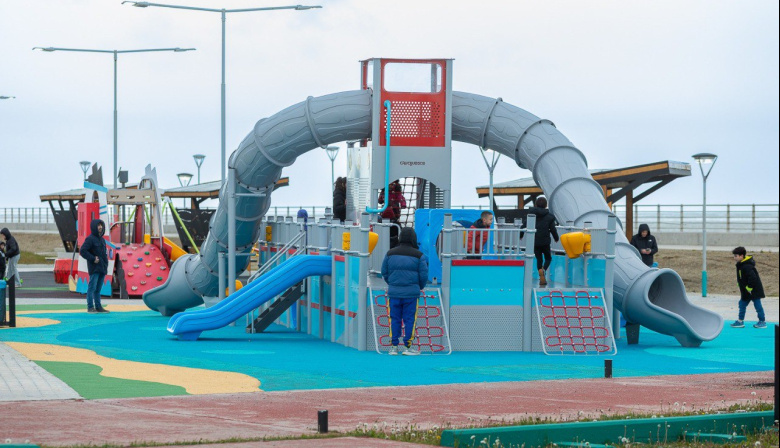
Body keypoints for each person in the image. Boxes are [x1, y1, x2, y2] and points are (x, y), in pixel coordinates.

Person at [381, 227, 428, 356]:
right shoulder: (419, 255)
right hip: (411, 293)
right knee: (410, 319)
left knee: (394, 319)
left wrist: (392, 283)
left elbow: (384, 272)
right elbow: (423, 275)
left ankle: (393, 347)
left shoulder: (390, 253)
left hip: (394, 292)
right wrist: (419, 287)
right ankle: (408, 346)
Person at [522, 197, 559, 286]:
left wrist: (521, 235)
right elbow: (553, 229)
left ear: (536, 205)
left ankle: (540, 272)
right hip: (545, 241)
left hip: (535, 241)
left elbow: (523, 225)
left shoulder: (531, 215)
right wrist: (556, 238)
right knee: (548, 258)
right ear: (546, 205)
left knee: (539, 258)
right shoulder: (550, 216)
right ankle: (543, 270)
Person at [730, 246, 766, 329]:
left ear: (741, 256)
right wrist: (740, 284)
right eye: (734, 256)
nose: (734, 257)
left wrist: (749, 287)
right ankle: (740, 321)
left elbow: (753, 278)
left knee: (758, 306)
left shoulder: (747, 266)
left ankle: (762, 321)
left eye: (736, 256)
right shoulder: (740, 264)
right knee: (742, 304)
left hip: (754, 290)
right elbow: (741, 276)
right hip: (746, 291)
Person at [79, 219, 110, 313]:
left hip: (102, 267)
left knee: (98, 289)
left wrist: (106, 264)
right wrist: (93, 258)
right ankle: (90, 307)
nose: (100, 227)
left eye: (101, 225)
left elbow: (104, 254)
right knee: (92, 288)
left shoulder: (102, 240)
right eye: (98, 225)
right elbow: (83, 251)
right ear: (94, 227)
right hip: (94, 267)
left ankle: (98, 307)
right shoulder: (90, 239)